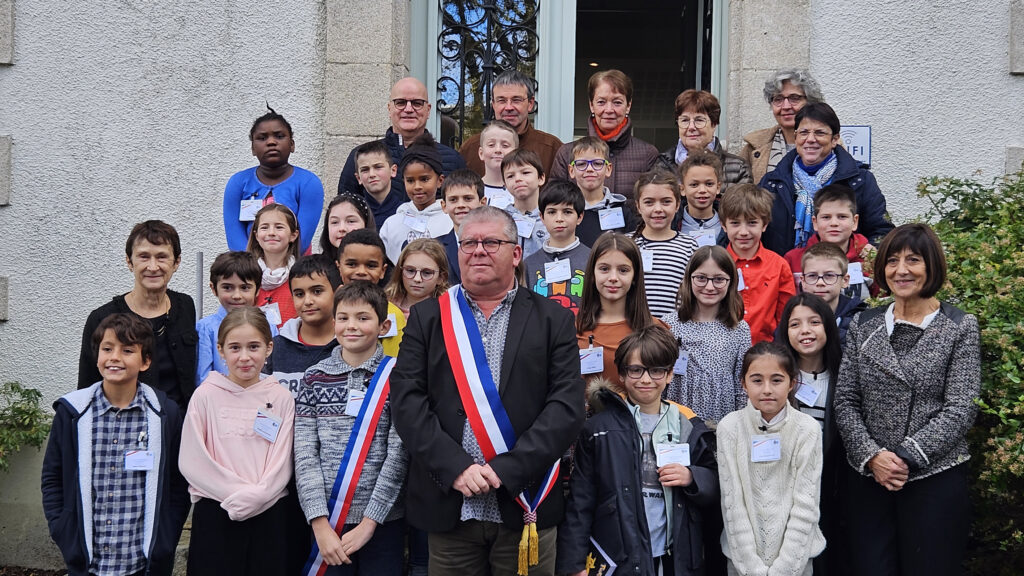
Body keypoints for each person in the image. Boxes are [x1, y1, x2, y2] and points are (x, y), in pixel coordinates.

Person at [390, 206, 585, 575]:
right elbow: (407, 401)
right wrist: (457, 468)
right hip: (451, 503)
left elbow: (566, 407)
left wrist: (507, 469)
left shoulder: (553, 319)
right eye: (468, 243)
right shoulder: (428, 318)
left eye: (491, 242)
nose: (478, 250)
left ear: (515, 253)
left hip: (524, 502)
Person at [834, 223, 980, 576]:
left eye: (913, 260)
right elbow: (845, 401)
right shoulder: (863, 325)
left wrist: (903, 457)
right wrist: (873, 457)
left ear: (932, 267)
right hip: (871, 479)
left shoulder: (959, 326)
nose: (901, 270)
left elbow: (960, 408)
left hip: (934, 479)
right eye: (892, 261)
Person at [557, 325, 719, 576]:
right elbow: (581, 500)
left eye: (656, 370)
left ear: (669, 375)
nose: (645, 379)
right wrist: (575, 563)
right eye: (636, 370)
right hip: (616, 554)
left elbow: (714, 482)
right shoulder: (598, 429)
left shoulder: (687, 425)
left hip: (675, 555)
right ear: (621, 374)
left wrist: (691, 477)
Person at [44, 314, 190, 576]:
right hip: (89, 561)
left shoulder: (165, 414)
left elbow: (178, 483)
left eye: (127, 350)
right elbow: (53, 477)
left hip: (143, 562)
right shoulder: (72, 413)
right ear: (97, 356)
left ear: (145, 361)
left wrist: (166, 539)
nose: (114, 357)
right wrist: (62, 528)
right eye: (107, 349)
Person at [295, 281, 408, 576]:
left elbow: (398, 453)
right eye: (344, 318)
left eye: (363, 318)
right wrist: (319, 522)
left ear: (383, 325)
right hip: (327, 523)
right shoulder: (313, 378)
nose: (352, 326)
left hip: (383, 522)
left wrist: (370, 521)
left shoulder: (399, 378)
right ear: (334, 323)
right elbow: (305, 453)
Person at [181, 307, 296, 576]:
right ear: (220, 350)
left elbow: (282, 460)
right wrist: (235, 495)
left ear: (269, 348)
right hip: (217, 510)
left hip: (268, 512)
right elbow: (192, 459)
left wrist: (258, 496)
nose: (244, 357)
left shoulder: (280, 398)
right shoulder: (205, 396)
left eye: (253, 346)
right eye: (234, 347)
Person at [717, 341, 825, 576]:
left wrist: (784, 569)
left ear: (791, 383)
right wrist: (752, 568)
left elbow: (806, 504)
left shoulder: (807, 429)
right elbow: (732, 502)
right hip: (742, 561)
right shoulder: (730, 428)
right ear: (743, 384)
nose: (767, 389)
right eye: (757, 380)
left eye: (776, 380)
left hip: (795, 562)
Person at [78, 220, 198, 407]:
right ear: (129, 261)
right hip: (128, 428)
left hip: (180, 427)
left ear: (176, 262)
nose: (152, 266)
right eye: (144, 256)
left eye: (161, 257)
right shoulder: (102, 319)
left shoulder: (185, 306)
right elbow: (87, 388)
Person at [760, 102, 892, 256]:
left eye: (819, 133)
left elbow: (881, 231)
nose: (810, 139)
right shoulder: (772, 182)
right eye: (803, 132)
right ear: (795, 137)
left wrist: (869, 252)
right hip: (786, 272)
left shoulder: (860, 180)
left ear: (835, 139)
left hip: (844, 273)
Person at [775, 293, 844, 576]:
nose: (805, 330)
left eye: (814, 322)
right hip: (785, 490)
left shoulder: (844, 374)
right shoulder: (776, 377)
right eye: (795, 324)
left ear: (827, 326)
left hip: (834, 488)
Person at [337, 77, 466, 206]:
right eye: (400, 102)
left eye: (417, 103)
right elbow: (345, 211)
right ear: (389, 108)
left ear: (428, 110)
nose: (409, 109)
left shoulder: (453, 160)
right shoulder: (360, 157)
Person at [661, 246, 750, 424]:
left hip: (721, 420)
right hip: (676, 418)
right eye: (701, 278)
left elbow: (742, 387)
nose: (709, 287)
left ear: (730, 282)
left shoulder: (739, 329)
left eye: (719, 279)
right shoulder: (668, 324)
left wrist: (740, 426)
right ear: (689, 279)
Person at [224, 106, 324, 254]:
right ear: (253, 148)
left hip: (295, 266)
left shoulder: (309, 183)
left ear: (292, 145)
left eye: (279, 136)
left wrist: (279, 266)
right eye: (262, 138)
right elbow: (234, 235)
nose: (271, 142)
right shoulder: (238, 183)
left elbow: (303, 237)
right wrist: (252, 267)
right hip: (248, 269)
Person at [576, 232, 668, 385]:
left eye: (623, 270)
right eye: (604, 269)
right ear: (592, 274)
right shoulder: (572, 330)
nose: (613, 277)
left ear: (634, 276)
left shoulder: (657, 331)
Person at [551, 70, 659, 199]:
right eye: (601, 102)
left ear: (628, 106)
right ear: (591, 105)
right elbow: (555, 202)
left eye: (617, 102)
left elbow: (654, 202)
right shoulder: (567, 153)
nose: (609, 110)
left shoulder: (647, 154)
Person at [720, 183, 796, 344]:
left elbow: (786, 316)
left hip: (765, 351)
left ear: (765, 224)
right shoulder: (715, 264)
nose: (743, 232)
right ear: (723, 225)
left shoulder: (779, 265)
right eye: (735, 223)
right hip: (722, 350)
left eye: (752, 223)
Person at [458, 69, 564, 177]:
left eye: (516, 100)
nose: (508, 107)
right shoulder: (471, 149)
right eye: (502, 100)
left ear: (530, 103)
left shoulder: (552, 149)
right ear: (493, 104)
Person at [196, 251, 277, 387]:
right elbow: (203, 377)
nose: (237, 295)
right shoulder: (206, 328)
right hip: (219, 402)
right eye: (227, 288)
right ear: (214, 288)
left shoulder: (269, 325)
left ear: (257, 289)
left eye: (245, 288)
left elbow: (274, 370)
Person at [267, 254, 343, 397]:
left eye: (317, 291)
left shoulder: (350, 347)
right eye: (299, 294)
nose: (308, 301)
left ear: (338, 294)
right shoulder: (275, 349)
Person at [783, 183, 876, 299]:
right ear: (815, 222)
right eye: (826, 217)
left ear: (855, 221)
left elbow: (882, 302)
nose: (834, 223)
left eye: (842, 216)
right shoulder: (793, 259)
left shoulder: (869, 259)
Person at [627, 169, 699, 318]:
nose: (658, 209)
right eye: (649, 202)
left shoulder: (689, 246)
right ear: (638, 206)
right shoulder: (627, 244)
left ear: (677, 204)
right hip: (634, 331)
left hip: (673, 332)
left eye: (666, 202)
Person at [739, 69, 825, 184]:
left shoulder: (830, 145)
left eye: (794, 98)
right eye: (778, 99)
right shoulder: (754, 147)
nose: (785, 106)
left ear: (811, 102)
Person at [378, 133, 454, 263]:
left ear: (440, 180)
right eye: (410, 180)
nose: (417, 186)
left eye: (424, 179)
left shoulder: (451, 221)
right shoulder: (392, 224)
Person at [658, 89, 752, 189]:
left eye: (699, 120)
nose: (691, 127)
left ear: (714, 124)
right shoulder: (661, 165)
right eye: (685, 120)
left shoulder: (738, 168)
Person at [336, 229, 406, 358]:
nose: (361, 271)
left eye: (371, 265)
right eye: (352, 264)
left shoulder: (392, 315)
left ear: (383, 270)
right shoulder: (328, 307)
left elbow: (391, 364)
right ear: (339, 267)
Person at [524, 180, 591, 314]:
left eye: (567, 212)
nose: (559, 218)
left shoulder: (592, 259)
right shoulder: (529, 264)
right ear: (542, 217)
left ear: (580, 217)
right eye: (552, 212)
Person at [791, 242, 867, 346]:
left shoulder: (861, 319)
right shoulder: (792, 318)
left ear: (845, 280)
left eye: (829, 275)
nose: (820, 282)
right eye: (812, 276)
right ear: (803, 281)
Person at [569, 137, 636, 246]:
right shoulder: (564, 212)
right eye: (581, 164)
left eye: (597, 164)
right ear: (571, 171)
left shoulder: (623, 213)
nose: (589, 169)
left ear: (608, 169)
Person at [248, 203, 302, 329]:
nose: (271, 233)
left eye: (279, 227)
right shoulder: (247, 274)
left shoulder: (301, 275)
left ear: (293, 235)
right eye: (265, 227)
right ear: (256, 236)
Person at [436, 169, 487, 284]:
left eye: (468, 198)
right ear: (444, 206)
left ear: (482, 203)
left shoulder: (495, 244)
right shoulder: (436, 248)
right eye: (453, 200)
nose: (461, 205)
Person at [384, 238, 450, 318]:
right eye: (410, 271)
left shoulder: (448, 311)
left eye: (426, 273)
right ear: (400, 271)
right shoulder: (385, 304)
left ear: (441, 278)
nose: (417, 279)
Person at [502, 149, 549, 258]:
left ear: (541, 178)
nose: (518, 179)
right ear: (504, 184)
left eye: (525, 173)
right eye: (510, 176)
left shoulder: (552, 217)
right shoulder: (500, 219)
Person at [676, 150, 727, 247]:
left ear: (718, 187)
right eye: (694, 185)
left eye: (709, 184)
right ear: (682, 189)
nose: (702, 190)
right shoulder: (672, 224)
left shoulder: (729, 223)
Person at [351, 140, 399, 229]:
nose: (372, 174)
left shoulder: (406, 213)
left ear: (393, 171)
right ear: (358, 178)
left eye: (378, 167)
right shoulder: (353, 215)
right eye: (365, 169)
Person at [474, 120, 518, 210]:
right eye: (491, 145)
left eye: (505, 145)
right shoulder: (472, 190)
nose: (498, 150)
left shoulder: (522, 190)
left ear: (515, 153)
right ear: (481, 153)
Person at [319, 193, 376, 260]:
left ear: (366, 224)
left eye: (351, 221)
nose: (342, 228)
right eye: (335, 222)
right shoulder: (317, 267)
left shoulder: (378, 265)